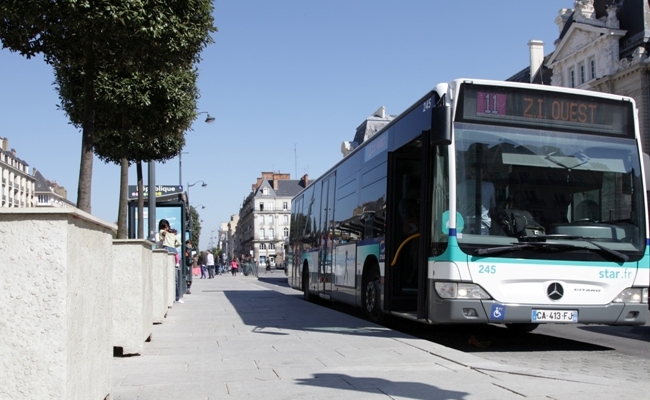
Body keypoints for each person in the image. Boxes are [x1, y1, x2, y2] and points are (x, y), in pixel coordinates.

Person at [457, 166, 495, 235]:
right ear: (484, 174)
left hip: (464, 224)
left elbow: (456, 206)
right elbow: (492, 206)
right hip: (483, 225)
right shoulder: (490, 186)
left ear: (469, 173)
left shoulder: (459, 187)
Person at [159, 219, 183, 303]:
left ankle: (176, 296)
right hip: (172, 248)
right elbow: (180, 243)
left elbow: (162, 236)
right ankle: (177, 263)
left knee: (173, 276)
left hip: (165, 248)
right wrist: (174, 243)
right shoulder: (170, 234)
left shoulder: (162, 232)